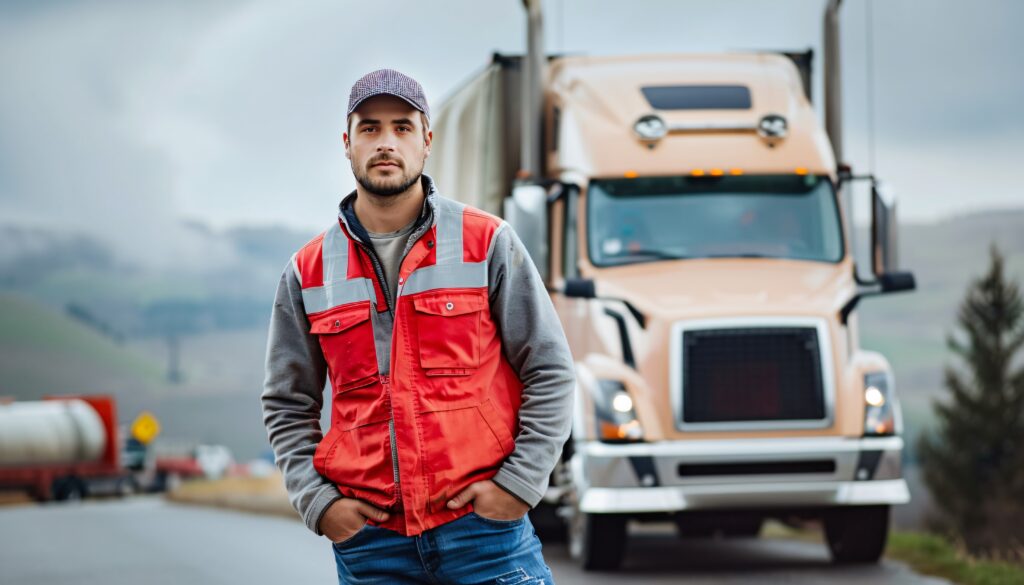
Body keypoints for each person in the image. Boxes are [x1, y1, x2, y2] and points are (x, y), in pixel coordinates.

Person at [261, 68, 575, 584]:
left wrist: (519, 484)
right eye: (370, 128)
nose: (386, 143)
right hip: (372, 547)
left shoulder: (487, 241)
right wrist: (319, 503)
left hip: (485, 535)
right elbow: (286, 402)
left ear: (427, 141)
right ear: (347, 143)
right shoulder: (308, 271)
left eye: (403, 127)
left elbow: (550, 369)